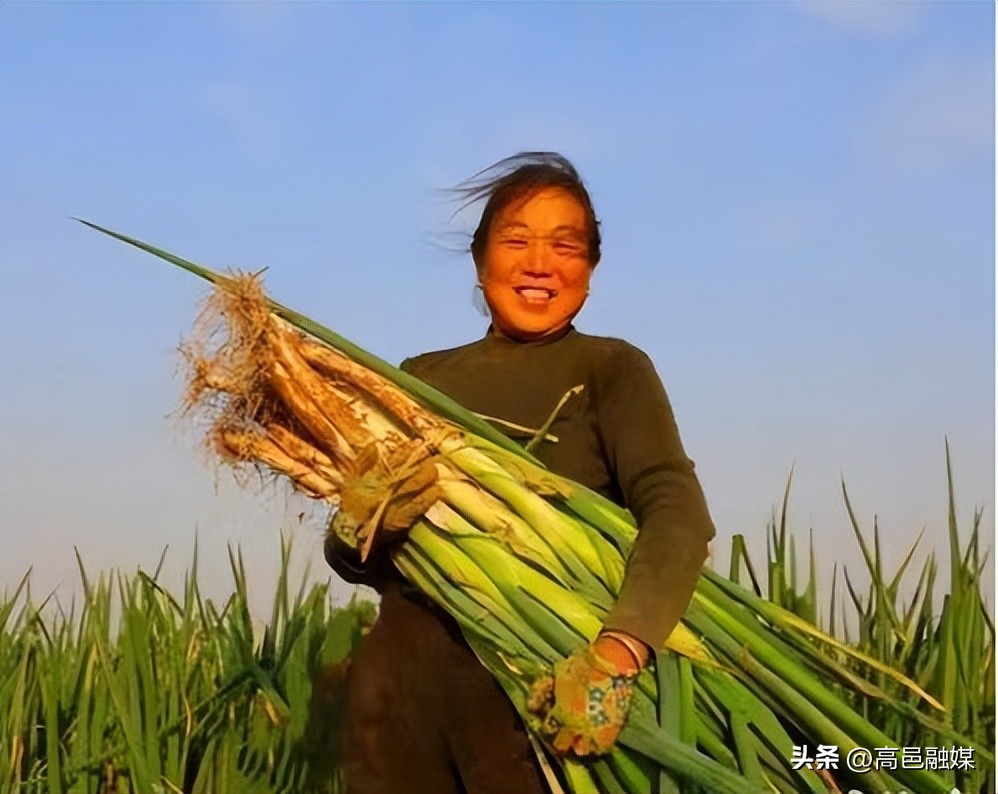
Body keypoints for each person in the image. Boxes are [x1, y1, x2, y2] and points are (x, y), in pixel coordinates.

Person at [324, 152, 715, 794]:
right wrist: (355, 525)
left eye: (565, 245)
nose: (539, 264)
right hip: (398, 698)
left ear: (591, 266)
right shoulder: (418, 379)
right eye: (516, 241)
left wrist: (617, 657)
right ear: (480, 262)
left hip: (535, 687)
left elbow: (676, 513)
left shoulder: (611, 369)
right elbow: (356, 560)